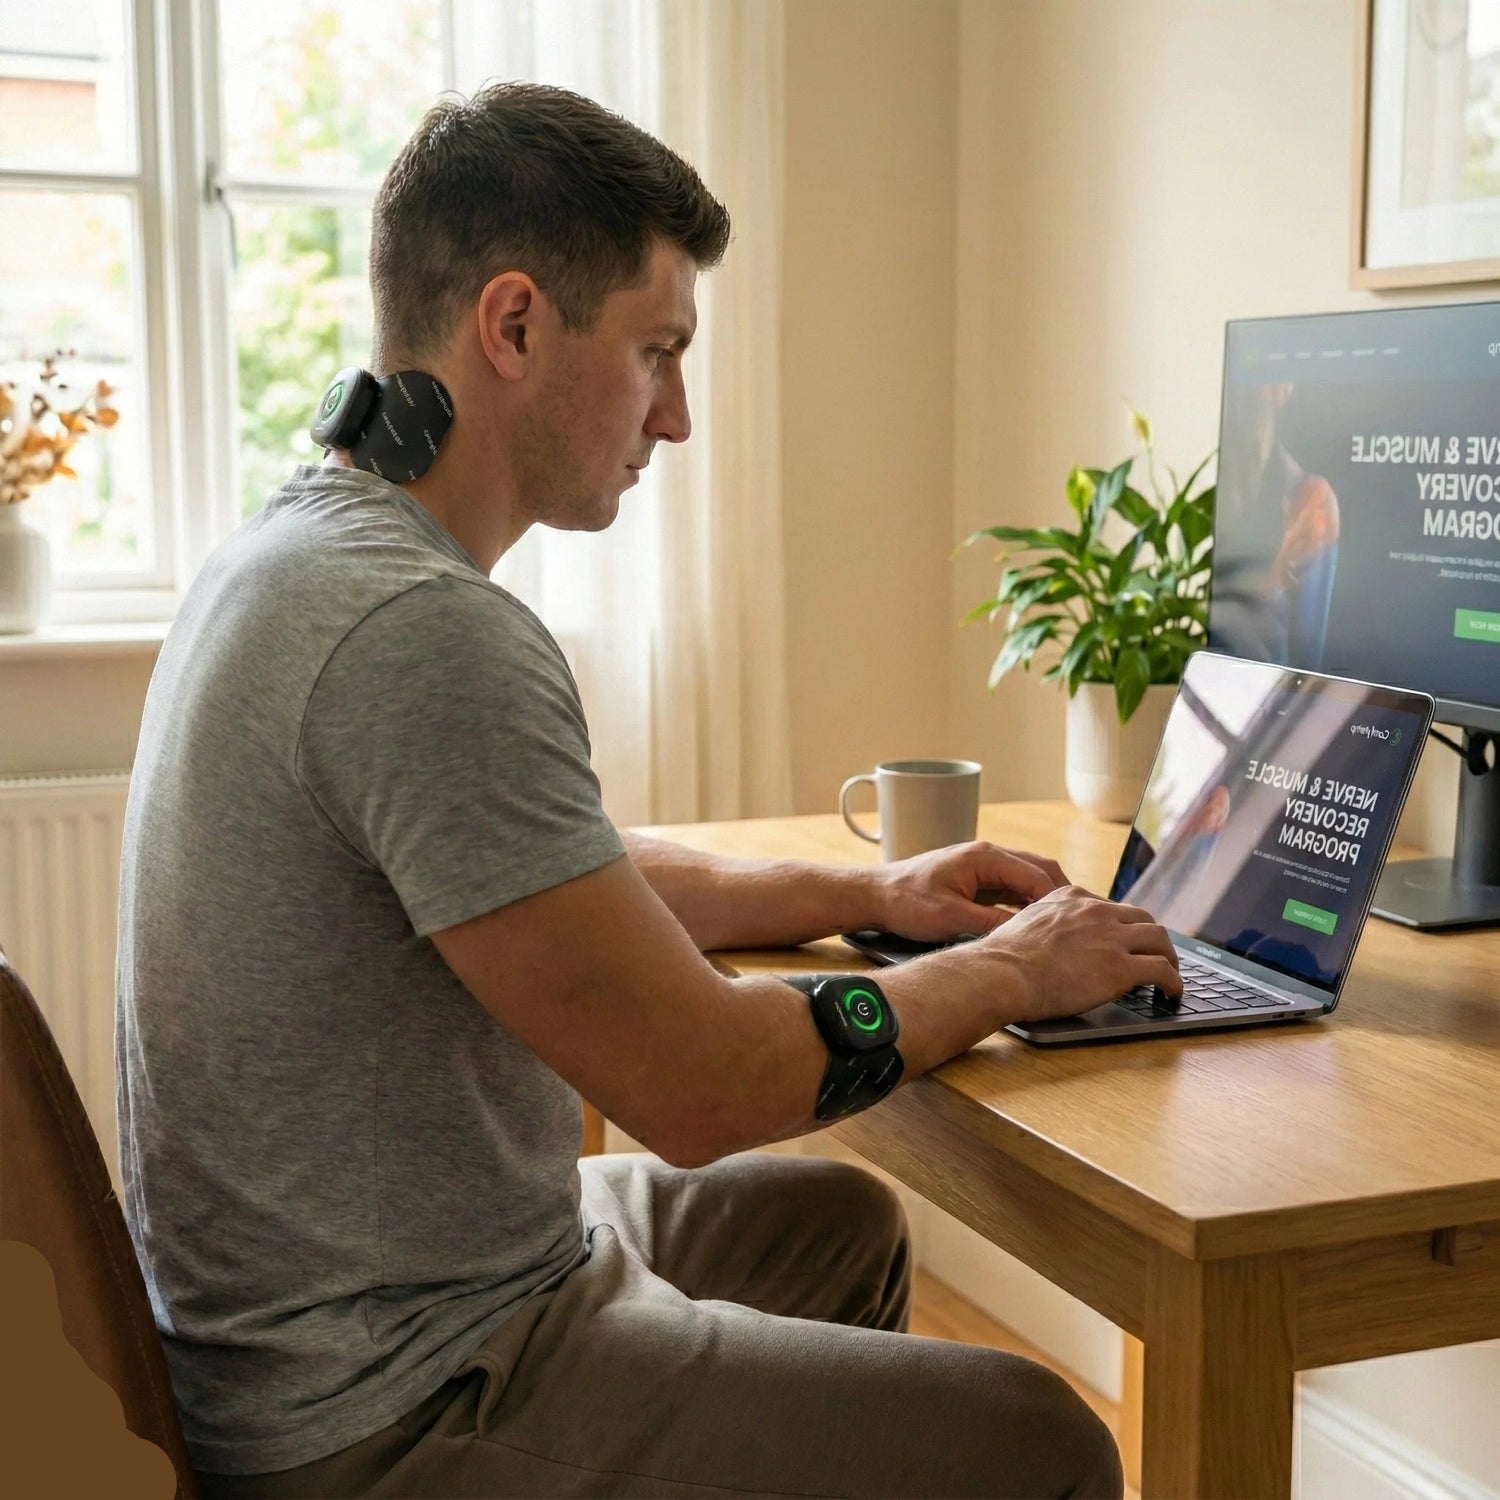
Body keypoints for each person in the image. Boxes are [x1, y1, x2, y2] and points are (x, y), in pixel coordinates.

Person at [116, 82, 1182, 1500]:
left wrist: (871, 892)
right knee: (1042, 1446)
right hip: (393, 1398)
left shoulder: (304, 554)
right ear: (513, 325)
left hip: (355, 1294)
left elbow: (562, 874)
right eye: (657, 352)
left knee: (839, 1225)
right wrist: (1005, 974)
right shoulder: (420, 634)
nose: (676, 417)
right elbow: (706, 1084)